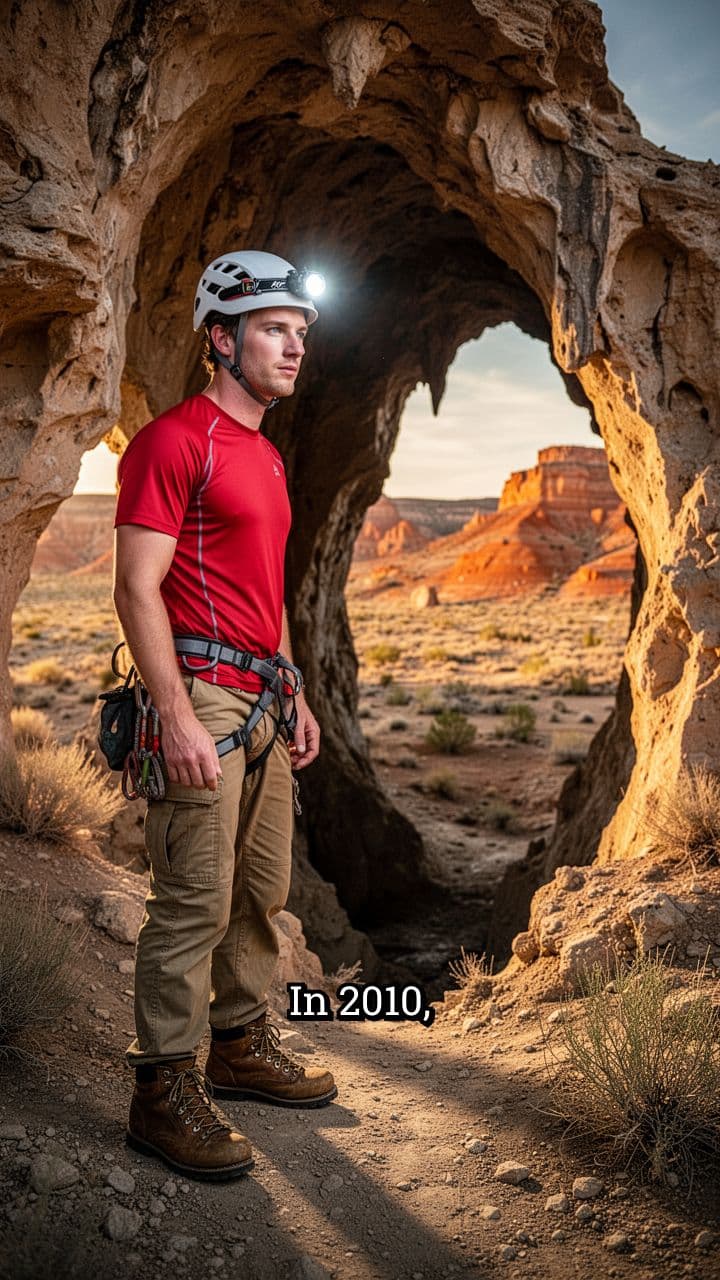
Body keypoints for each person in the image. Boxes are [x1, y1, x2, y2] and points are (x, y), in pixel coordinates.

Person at [113, 249, 337, 1182]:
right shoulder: (174, 442)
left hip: (264, 698)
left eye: (300, 332)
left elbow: (265, 591)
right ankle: (161, 1089)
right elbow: (137, 587)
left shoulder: (269, 457)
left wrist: (296, 690)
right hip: (200, 693)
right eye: (273, 329)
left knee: (260, 888)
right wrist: (175, 715)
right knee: (193, 897)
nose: (294, 347)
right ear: (221, 338)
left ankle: (238, 1046)